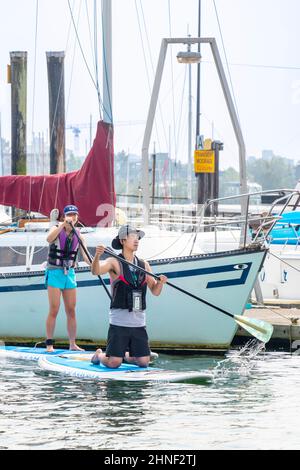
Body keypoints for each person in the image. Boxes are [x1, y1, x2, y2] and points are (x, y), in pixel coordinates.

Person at [90, 225, 168, 368]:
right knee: (114, 363)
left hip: (138, 324)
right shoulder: (114, 262)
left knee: (144, 362)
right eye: (132, 236)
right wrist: (97, 256)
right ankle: (99, 354)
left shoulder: (144, 265)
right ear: (122, 240)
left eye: (137, 237)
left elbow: (155, 292)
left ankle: (126, 354)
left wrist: (161, 282)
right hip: (119, 323)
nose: (136, 240)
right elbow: (95, 271)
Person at [45, 205, 90, 352]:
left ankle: (72, 344)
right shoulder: (56, 229)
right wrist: (63, 225)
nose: (73, 217)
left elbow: (86, 258)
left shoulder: (79, 235)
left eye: (75, 215)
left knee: (71, 310)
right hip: (55, 272)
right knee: (54, 309)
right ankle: (49, 344)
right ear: (64, 216)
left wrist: (97, 265)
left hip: (69, 273)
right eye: (69, 214)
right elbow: (49, 238)